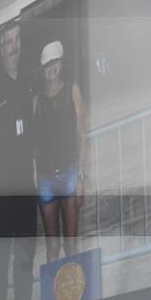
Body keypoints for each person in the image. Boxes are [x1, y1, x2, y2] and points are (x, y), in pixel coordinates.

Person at [0, 20, 38, 300]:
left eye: (17, 40)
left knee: (25, 259)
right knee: (0, 263)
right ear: (0, 48)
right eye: (8, 42)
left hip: (26, 185)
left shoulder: (28, 81)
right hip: (3, 189)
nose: (14, 47)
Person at [31, 36, 88, 260]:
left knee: (71, 244)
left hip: (70, 175)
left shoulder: (72, 91)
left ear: (61, 65)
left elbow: (83, 135)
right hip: (45, 180)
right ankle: (54, 295)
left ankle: (77, 294)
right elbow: (34, 145)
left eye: (54, 63)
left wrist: (82, 178)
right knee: (52, 248)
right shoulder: (36, 101)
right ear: (42, 70)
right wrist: (34, 174)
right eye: (47, 66)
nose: (51, 69)